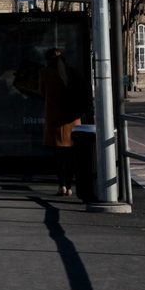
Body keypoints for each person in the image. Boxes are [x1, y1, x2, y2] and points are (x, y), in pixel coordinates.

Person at [40, 47, 81, 196]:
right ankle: (69, 186)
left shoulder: (45, 73)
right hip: (72, 120)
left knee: (58, 155)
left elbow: (42, 92)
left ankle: (61, 184)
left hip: (55, 119)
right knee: (70, 154)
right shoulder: (72, 72)